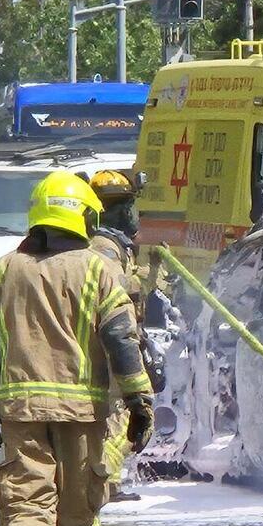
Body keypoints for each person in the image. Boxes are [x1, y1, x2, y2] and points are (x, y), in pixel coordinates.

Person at [0, 171, 154, 526]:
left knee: (27, 508)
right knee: (78, 514)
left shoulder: (6, 270)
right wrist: (139, 401)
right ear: (84, 217)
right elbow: (121, 339)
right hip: (82, 414)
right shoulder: (98, 269)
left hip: (22, 414)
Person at [89, 169, 149, 502]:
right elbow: (113, 300)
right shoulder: (104, 250)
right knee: (119, 415)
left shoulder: (115, 247)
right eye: (128, 207)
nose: (134, 215)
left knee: (114, 414)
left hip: (116, 341)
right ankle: (106, 483)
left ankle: (104, 481)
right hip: (112, 346)